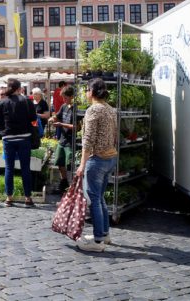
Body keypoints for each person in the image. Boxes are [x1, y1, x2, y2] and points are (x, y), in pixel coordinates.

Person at [75, 78, 118, 252]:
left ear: (92, 92)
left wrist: (82, 164)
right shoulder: (110, 108)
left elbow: (88, 140)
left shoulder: (93, 110)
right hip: (110, 157)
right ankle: (105, 234)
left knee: (94, 199)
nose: (86, 93)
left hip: (97, 158)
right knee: (100, 198)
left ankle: (98, 240)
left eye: (87, 90)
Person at [0, 78, 37, 207]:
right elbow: (33, 120)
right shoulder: (27, 102)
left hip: (8, 138)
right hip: (24, 138)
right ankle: (28, 197)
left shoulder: (2, 103)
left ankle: (9, 197)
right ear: (19, 88)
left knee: (9, 168)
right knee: (25, 168)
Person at [50, 86, 75, 193]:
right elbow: (57, 116)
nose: (63, 100)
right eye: (63, 98)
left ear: (72, 97)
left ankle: (72, 186)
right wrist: (53, 118)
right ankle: (63, 183)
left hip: (71, 140)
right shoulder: (64, 106)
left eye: (65, 98)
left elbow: (76, 127)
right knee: (59, 162)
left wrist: (61, 124)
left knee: (69, 164)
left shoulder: (76, 109)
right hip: (62, 139)